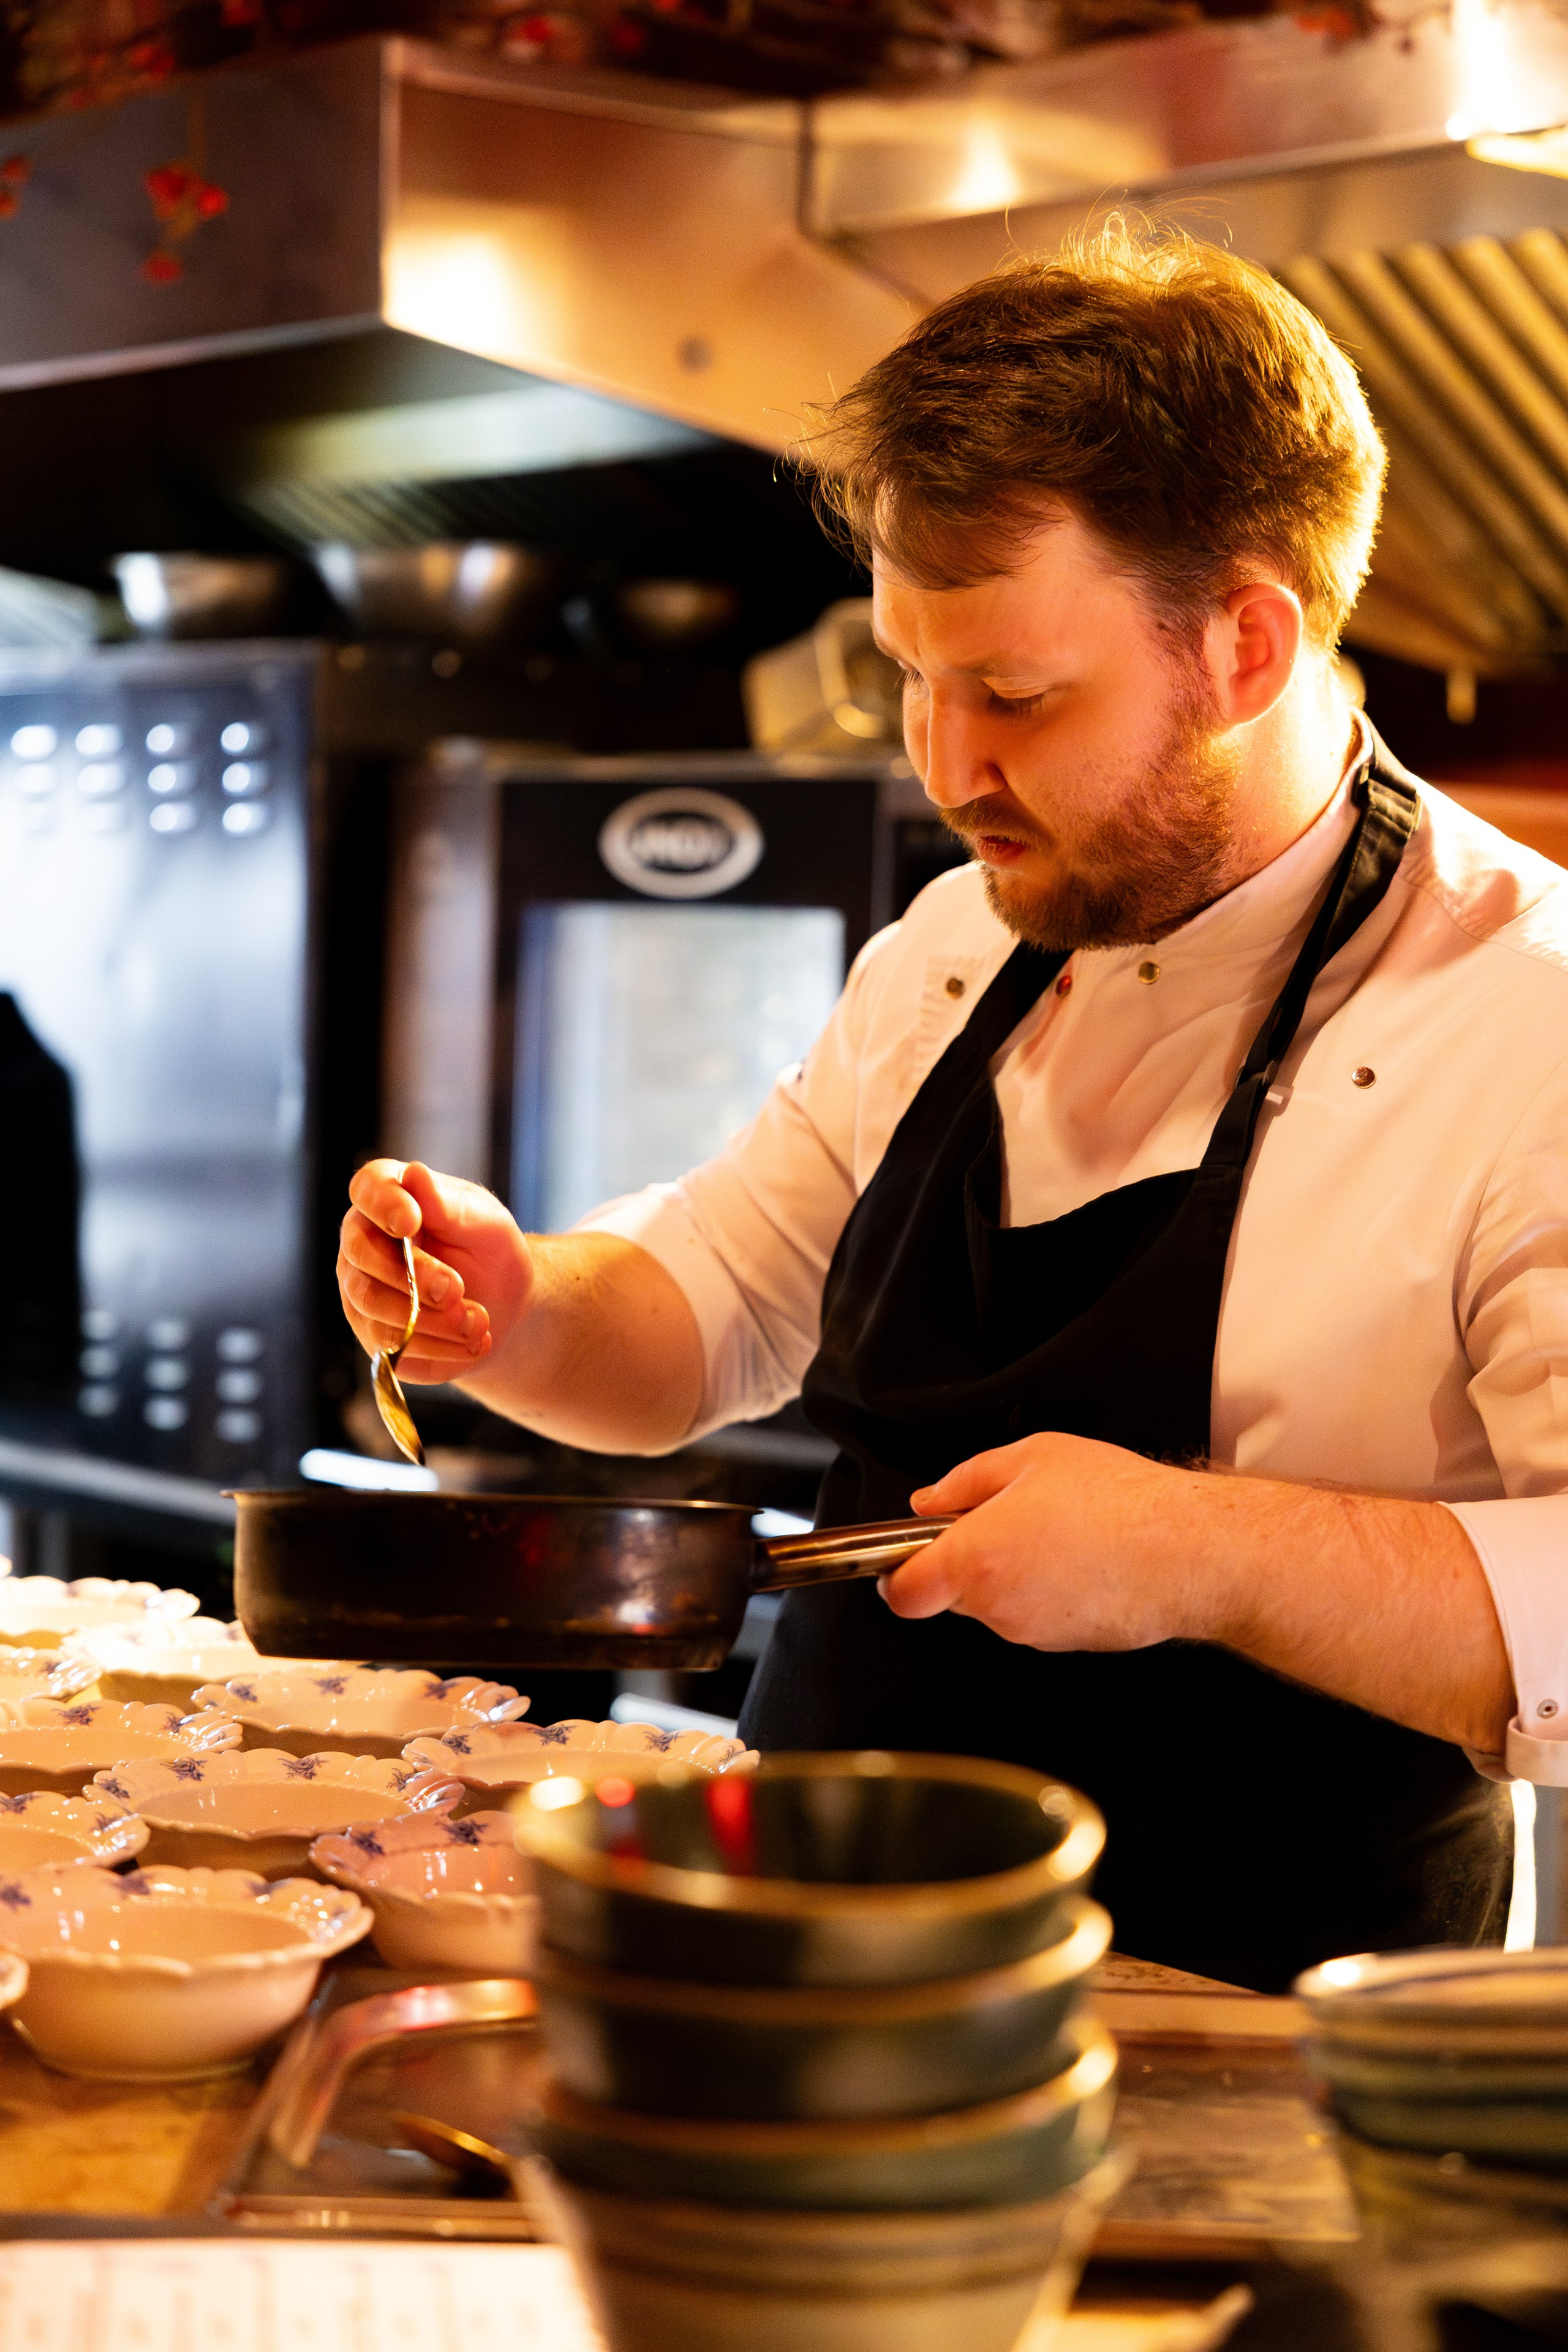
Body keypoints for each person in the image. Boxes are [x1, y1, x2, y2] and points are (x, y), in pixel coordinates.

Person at [337, 228, 1568, 1991]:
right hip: (805, 1959)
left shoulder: (1527, 1019)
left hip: (1250, 2039)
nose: (943, 763)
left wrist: (1200, 1554)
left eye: (1014, 693)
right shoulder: (956, 944)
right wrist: (520, 1303)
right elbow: (706, 1307)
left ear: (1245, 645)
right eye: (913, 674)